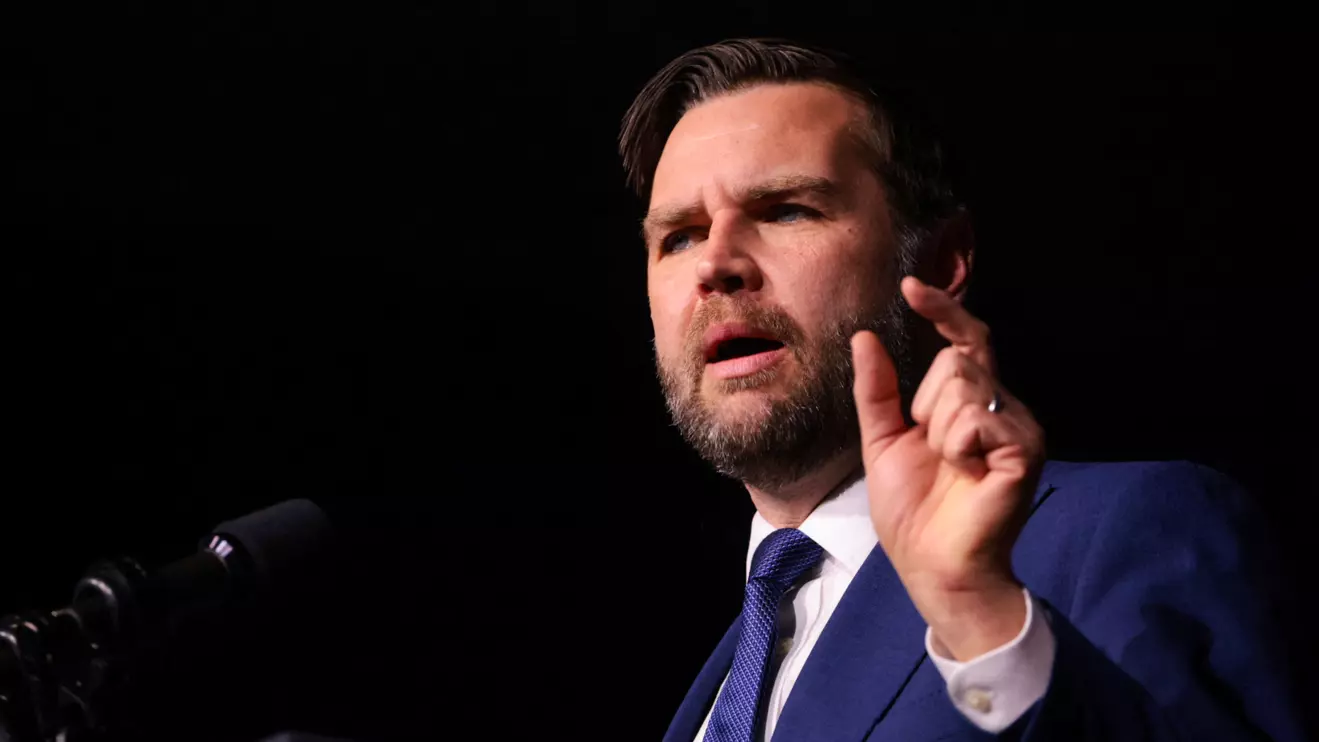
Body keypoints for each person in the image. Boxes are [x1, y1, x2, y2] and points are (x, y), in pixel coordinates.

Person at [617, 38, 1308, 742]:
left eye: (787, 210)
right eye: (679, 237)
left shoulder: (1124, 529)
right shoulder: (725, 679)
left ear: (942, 261)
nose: (715, 263)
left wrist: (977, 614)